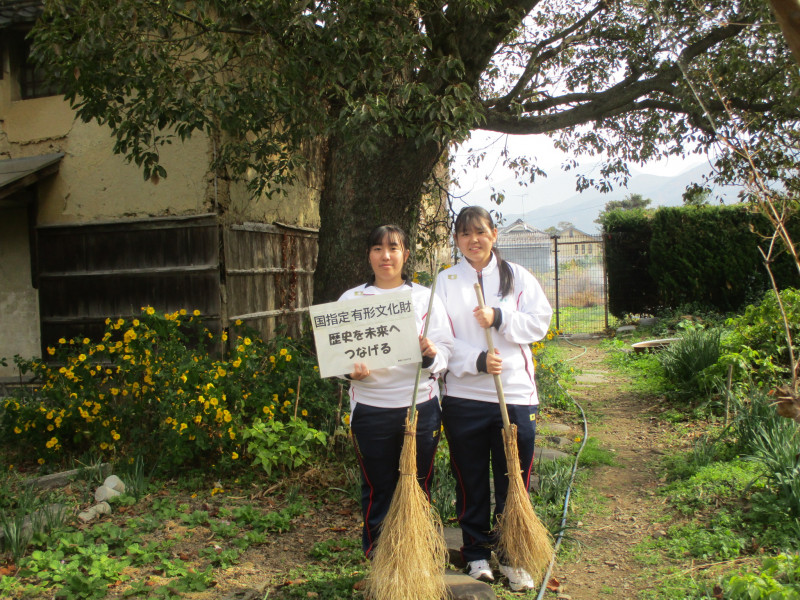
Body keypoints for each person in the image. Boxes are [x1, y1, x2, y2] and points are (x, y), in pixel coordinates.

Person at [435, 206, 553, 592]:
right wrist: (477, 360)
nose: (473, 240)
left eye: (480, 232)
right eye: (465, 234)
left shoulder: (517, 277)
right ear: (457, 240)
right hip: (465, 397)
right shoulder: (447, 280)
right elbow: (441, 339)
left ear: (494, 234)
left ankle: (514, 555)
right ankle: (476, 554)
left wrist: (500, 316)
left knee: (513, 480)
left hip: (514, 394)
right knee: (470, 479)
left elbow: (540, 322)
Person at [339, 224, 453, 558]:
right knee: (377, 487)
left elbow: (446, 351)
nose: (385, 256)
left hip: (419, 408)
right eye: (377, 248)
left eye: (393, 248)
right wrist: (350, 371)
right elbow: (338, 355)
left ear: (405, 254)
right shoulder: (352, 300)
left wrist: (432, 354)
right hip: (371, 410)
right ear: (368, 255)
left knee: (418, 484)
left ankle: (417, 556)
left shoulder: (423, 297)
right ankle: (379, 559)